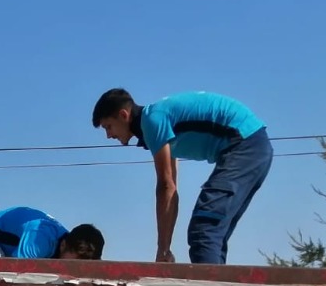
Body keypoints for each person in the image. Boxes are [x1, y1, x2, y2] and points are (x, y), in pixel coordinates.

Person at [91, 88, 272, 265]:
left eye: (108, 127)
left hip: (246, 143)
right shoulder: (159, 123)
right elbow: (172, 189)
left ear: (124, 115)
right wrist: (165, 249)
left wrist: (162, 250)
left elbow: (165, 186)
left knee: (204, 229)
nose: (108, 135)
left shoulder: (152, 120)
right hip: (253, 146)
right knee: (213, 232)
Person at [0, 208, 103, 259]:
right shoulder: (40, 239)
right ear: (64, 245)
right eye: (75, 262)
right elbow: (18, 272)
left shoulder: (66, 243)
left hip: (14, 247)